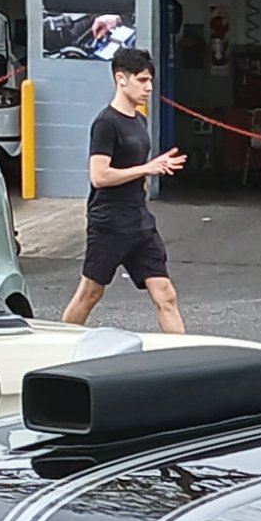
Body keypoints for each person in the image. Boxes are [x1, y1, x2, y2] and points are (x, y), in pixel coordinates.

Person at [65, 47, 186, 333]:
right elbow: (99, 176)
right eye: (142, 80)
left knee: (165, 294)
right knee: (91, 293)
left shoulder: (139, 121)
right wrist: (148, 168)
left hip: (139, 222)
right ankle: (58, 347)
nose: (149, 87)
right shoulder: (106, 123)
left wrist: (154, 167)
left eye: (150, 81)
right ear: (121, 79)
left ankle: (184, 359)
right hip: (108, 223)